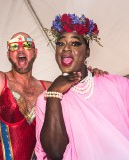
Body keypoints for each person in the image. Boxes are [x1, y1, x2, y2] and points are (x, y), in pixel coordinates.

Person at [35, 13, 129, 160]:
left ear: (87, 52)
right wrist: (53, 94)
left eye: (75, 43)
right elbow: (55, 154)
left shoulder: (118, 85)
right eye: (60, 43)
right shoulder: (44, 100)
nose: (66, 48)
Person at [0, 32, 52, 160]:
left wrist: (92, 75)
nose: (20, 49)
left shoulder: (49, 88)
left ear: (35, 52)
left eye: (26, 45)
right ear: (8, 55)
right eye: (14, 46)